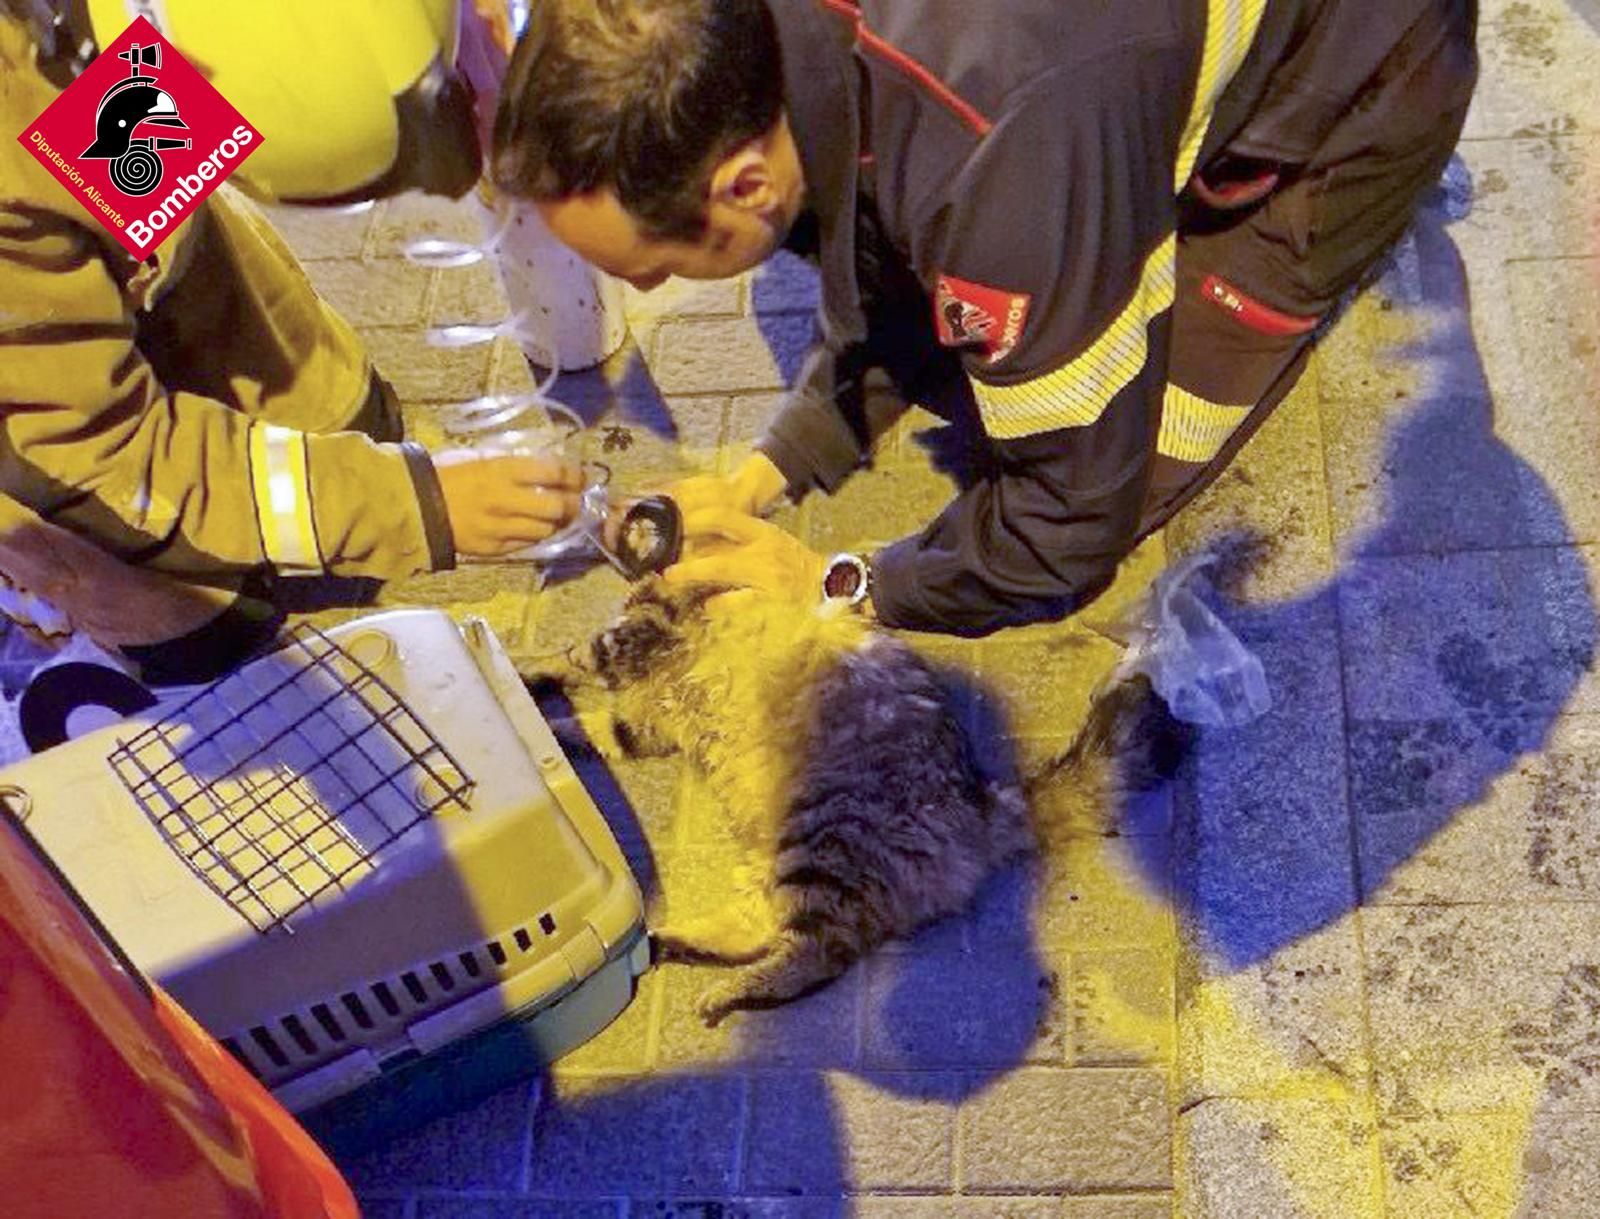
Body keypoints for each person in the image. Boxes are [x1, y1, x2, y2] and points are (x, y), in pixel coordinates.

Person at [491, 0, 1478, 635]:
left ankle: (1313, 192)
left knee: (1123, 459)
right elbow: (866, 211)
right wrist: (769, 471)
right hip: (1086, 73)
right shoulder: (756, 49)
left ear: (745, 180)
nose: (655, 295)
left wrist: (832, 584)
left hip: (1359, 70)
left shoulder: (1003, 162)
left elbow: (1066, 526)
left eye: (656, 267)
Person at [0, 0, 582, 683]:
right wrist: (408, 505)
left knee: (335, 417)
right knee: (195, 623)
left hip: (66, 54)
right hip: (68, 441)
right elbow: (106, 452)